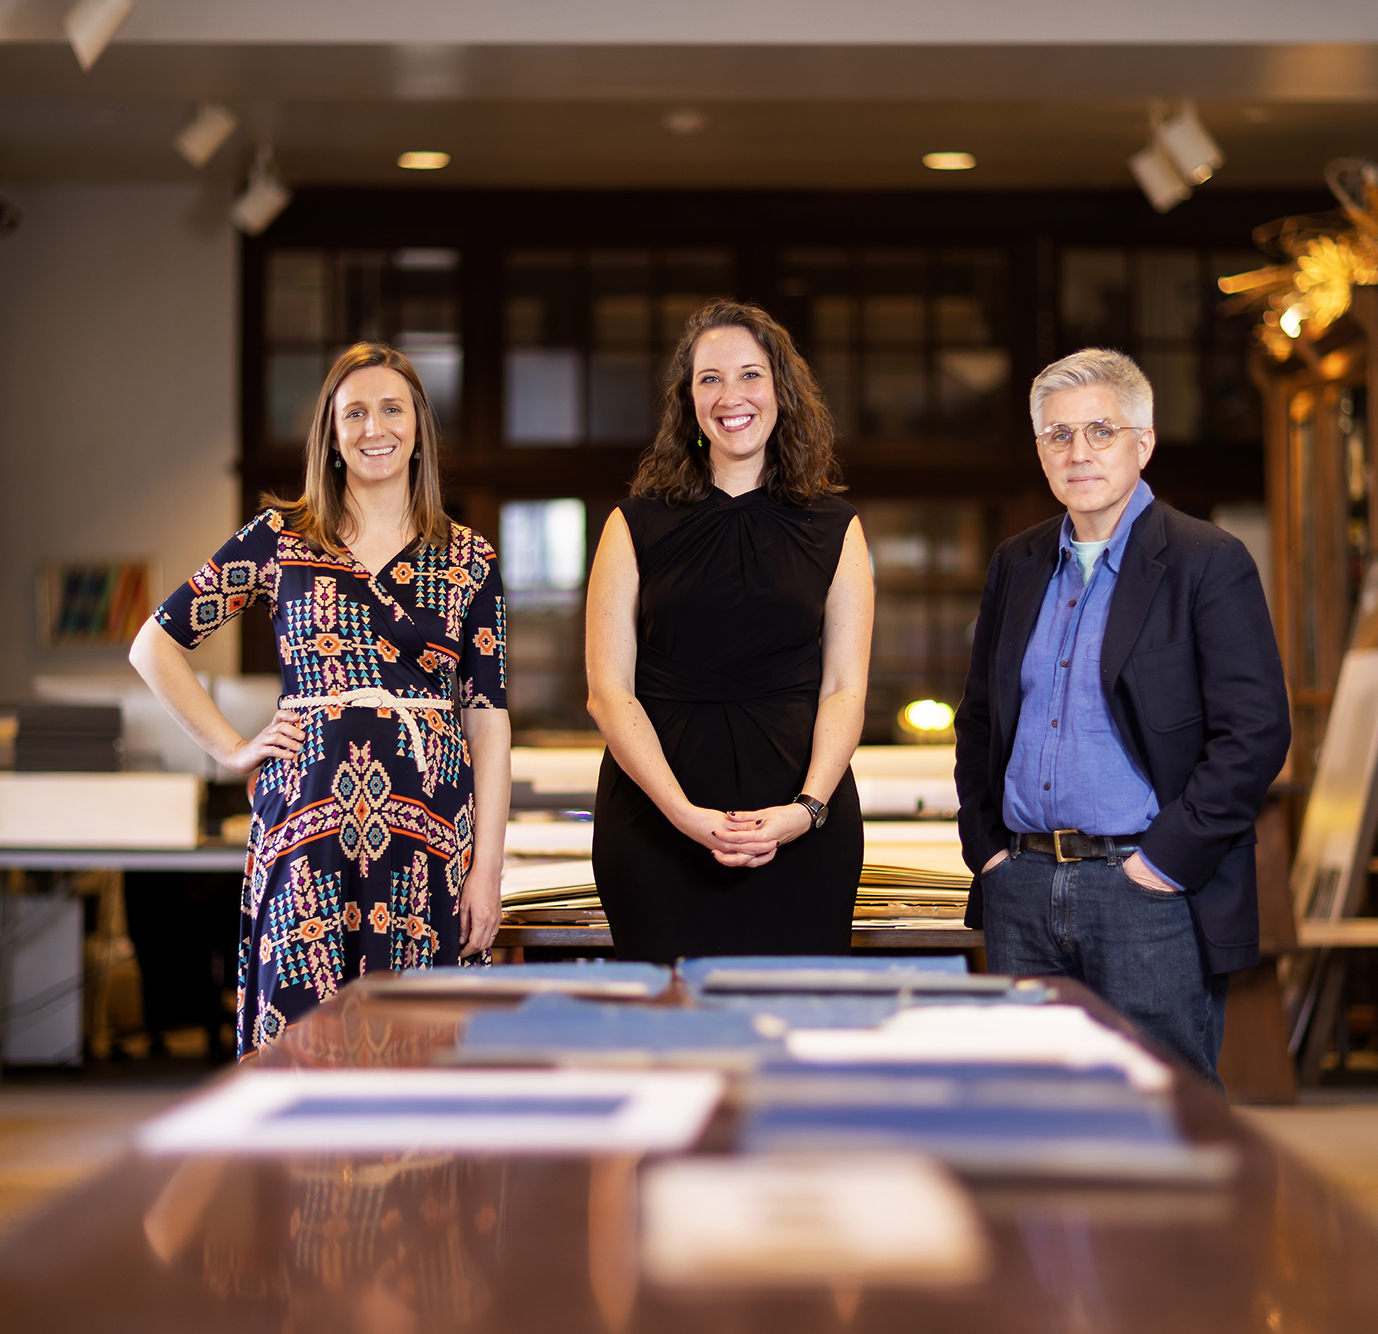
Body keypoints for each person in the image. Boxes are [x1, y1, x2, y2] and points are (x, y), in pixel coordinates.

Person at [131, 342, 510, 1056]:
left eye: (392, 409)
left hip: (429, 835)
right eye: (355, 413)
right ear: (332, 436)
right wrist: (232, 748)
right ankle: (293, 1174)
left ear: (419, 427)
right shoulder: (279, 539)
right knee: (298, 1038)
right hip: (305, 830)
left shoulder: (469, 558)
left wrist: (487, 868)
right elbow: (154, 645)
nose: (376, 428)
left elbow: (487, 722)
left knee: (420, 1040)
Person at [953, 348, 1290, 1083]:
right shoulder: (1017, 562)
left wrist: (1162, 864)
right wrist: (988, 850)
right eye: (1058, 435)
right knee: (1034, 1116)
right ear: (1040, 450)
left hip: (1146, 890)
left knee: (1161, 1119)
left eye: (1101, 431)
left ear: (1144, 441)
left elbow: (1256, 732)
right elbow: (979, 718)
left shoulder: (1207, 560)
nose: (1079, 452)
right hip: (1023, 884)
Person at [585, 300, 874, 963]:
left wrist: (806, 810)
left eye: (749, 375)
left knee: (794, 1041)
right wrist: (684, 816)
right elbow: (609, 692)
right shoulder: (633, 524)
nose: (730, 395)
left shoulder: (838, 527)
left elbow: (844, 689)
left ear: (782, 391)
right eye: (709, 379)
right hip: (656, 829)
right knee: (668, 1041)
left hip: (805, 826)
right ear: (688, 402)